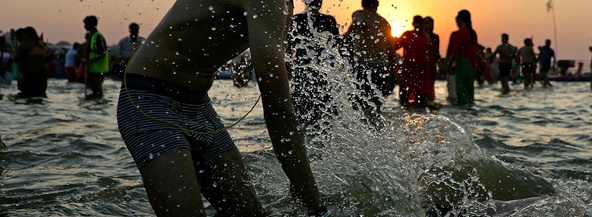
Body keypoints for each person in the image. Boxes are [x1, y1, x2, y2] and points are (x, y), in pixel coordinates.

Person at [116, 0, 328, 216]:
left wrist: (302, 186)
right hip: (150, 101)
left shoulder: (284, 4)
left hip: (200, 106)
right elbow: (280, 115)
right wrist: (318, 210)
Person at [287, 0, 339, 129]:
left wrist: (287, 63)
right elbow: (338, 47)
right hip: (321, 69)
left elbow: (288, 46)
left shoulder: (296, 19)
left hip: (302, 68)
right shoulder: (329, 20)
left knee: (300, 105)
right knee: (324, 106)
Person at [345, 0, 395, 115]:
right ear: (377, 5)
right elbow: (391, 49)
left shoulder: (359, 16)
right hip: (381, 66)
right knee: (376, 104)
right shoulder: (384, 22)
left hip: (362, 65)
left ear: (363, 5)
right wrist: (392, 71)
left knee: (359, 103)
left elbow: (348, 39)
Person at [395, 15, 432, 108]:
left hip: (410, 68)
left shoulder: (408, 34)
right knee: (421, 97)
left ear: (413, 23)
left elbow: (396, 46)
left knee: (405, 96)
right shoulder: (426, 37)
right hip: (421, 70)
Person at [446, 10, 478, 106]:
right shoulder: (473, 33)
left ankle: (462, 114)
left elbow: (455, 51)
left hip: (462, 63)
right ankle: (470, 111)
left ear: (460, 19)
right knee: (469, 90)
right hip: (471, 64)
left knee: (461, 90)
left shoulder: (461, 32)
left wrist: (448, 64)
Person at [13, 27, 49, 99]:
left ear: (26, 35)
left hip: (30, 74)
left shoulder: (25, 45)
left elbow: (16, 59)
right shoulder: (42, 45)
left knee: (27, 96)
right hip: (43, 74)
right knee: (40, 96)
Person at [83, 15, 109, 100]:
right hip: (92, 69)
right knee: (94, 93)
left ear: (91, 24)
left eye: (85, 24)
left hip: (98, 70)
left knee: (98, 94)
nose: (84, 26)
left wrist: (91, 61)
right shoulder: (92, 36)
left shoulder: (97, 36)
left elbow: (103, 52)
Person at [423, 17, 440, 103]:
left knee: (431, 86)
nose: (429, 26)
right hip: (422, 65)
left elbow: (437, 52)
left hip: (432, 65)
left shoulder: (436, 37)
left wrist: (439, 65)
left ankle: (430, 101)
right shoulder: (420, 37)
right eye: (426, 24)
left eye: (430, 24)